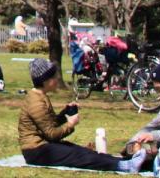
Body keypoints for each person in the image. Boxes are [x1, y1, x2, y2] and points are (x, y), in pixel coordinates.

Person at [18, 58, 146, 172]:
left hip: (43, 147)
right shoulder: (36, 103)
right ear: (45, 80)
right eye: (54, 76)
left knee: (82, 151)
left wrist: (65, 112)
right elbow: (52, 134)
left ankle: (124, 162)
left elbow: (49, 124)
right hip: (37, 152)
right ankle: (125, 167)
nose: (57, 78)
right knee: (80, 156)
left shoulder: (39, 96)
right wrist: (70, 124)